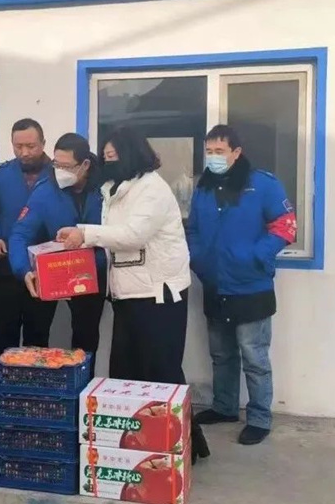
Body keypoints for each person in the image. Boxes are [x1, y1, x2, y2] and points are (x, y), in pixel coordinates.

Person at [57, 129, 209, 464]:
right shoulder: (114, 189)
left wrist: (85, 233)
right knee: (127, 372)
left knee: (162, 372)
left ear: (132, 154)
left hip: (158, 293)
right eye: (106, 157)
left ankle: (184, 444)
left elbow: (133, 235)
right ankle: (140, 442)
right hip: (127, 293)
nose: (109, 162)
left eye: (114, 157)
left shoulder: (152, 188)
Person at [187, 125, 297, 446]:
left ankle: (260, 418)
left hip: (251, 285)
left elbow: (285, 226)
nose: (213, 157)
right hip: (214, 284)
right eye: (209, 151)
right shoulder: (203, 188)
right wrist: (199, 260)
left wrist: (257, 255)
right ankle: (224, 407)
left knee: (254, 357)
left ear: (236, 152)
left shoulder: (263, 184)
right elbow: (193, 229)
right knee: (221, 353)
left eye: (220, 151)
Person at [9, 132, 107, 361]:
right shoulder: (46, 191)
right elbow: (20, 234)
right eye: (56, 164)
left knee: (86, 339)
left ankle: (83, 381)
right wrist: (24, 270)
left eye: (66, 166)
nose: (59, 171)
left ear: (84, 165)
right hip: (51, 271)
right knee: (36, 335)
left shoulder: (105, 190)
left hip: (91, 274)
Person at [0, 118, 55, 356]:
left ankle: (35, 381)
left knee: (38, 339)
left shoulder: (57, 175)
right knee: (4, 339)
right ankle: (4, 381)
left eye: (31, 146)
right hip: (5, 271)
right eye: (18, 146)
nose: (24, 152)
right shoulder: (1, 175)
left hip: (44, 271)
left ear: (43, 143)